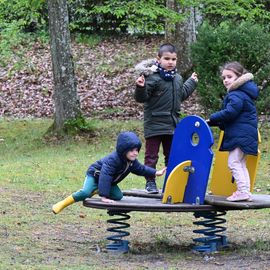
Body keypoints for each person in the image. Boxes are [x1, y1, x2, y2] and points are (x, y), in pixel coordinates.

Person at [134, 43, 198, 194]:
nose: (170, 62)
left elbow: (180, 95)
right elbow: (141, 98)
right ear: (159, 59)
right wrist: (140, 87)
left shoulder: (177, 78)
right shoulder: (152, 78)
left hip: (172, 125)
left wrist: (191, 83)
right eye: (167, 58)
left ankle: (172, 182)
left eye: (173, 59)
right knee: (151, 156)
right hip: (154, 124)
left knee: (172, 155)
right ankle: (150, 183)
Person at [52, 131, 166, 214]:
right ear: (123, 150)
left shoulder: (131, 162)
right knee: (86, 192)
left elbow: (142, 169)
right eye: (131, 150)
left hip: (108, 181)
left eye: (136, 150)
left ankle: (97, 190)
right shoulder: (113, 160)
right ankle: (62, 204)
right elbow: (105, 176)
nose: (135, 153)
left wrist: (156, 172)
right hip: (95, 175)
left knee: (118, 196)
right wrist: (104, 196)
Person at [207, 61, 259, 202]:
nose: (225, 81)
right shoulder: (244, 93)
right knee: (240, 163)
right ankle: (246, 191)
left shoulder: (236, 94)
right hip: (246, 133)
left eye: (229, 77)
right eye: (224, 78)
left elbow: (231, 112)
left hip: (240, 134)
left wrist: (213, 117)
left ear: (239, 77)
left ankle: (243, 191)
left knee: (233, 162)